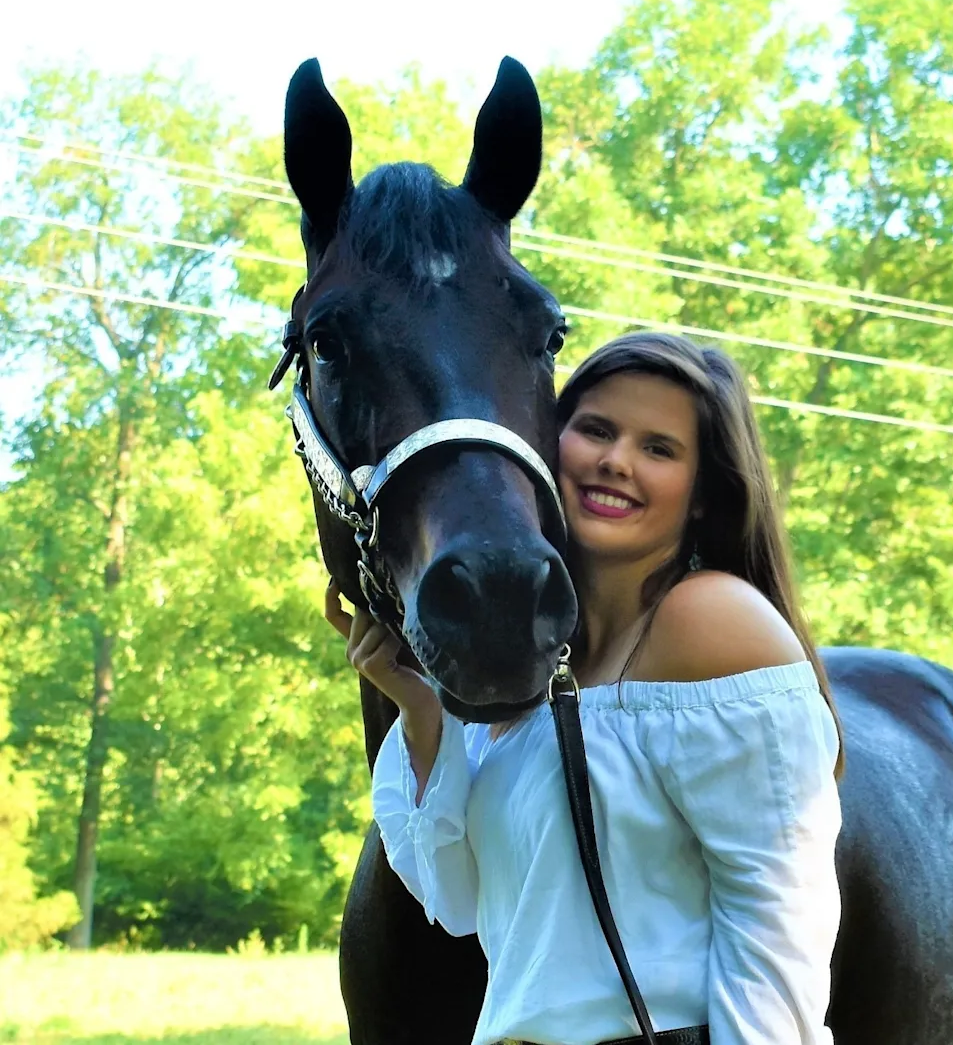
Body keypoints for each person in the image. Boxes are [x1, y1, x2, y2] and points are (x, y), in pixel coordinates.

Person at [326, 332, 843, 1045]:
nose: (615, 460)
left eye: (658, 448)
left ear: (701, 496)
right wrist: (418, 707)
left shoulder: (711, 621)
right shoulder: (528, 656)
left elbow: (778, 913)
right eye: (596, 430)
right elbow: (460, 898)